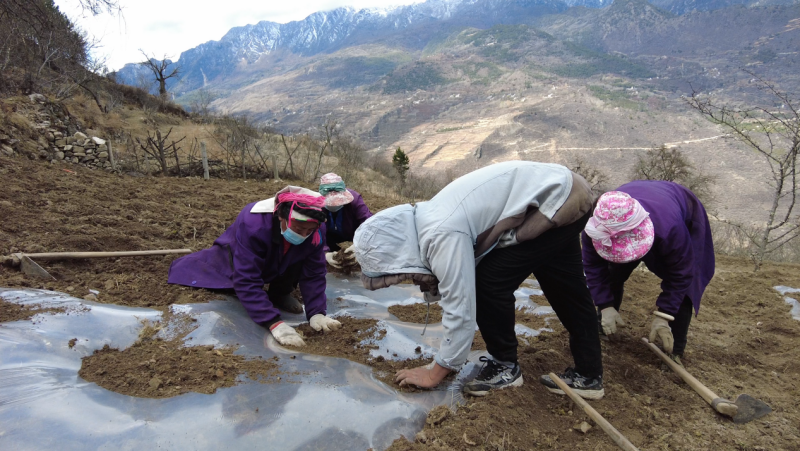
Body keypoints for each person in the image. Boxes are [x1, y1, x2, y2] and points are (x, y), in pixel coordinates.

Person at [353, 161, 605, 399]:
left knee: (487, 282)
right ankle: (589, 375)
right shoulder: (426, 217)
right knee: (567, 288)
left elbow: (461, 302)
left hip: (554, 201)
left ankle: (505, 368)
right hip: (568, 189)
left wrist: (436, 371)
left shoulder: (440, 234)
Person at [167, 186, 342, 346]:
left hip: (282, 260)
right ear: (281, 216)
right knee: (232, 282)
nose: (303, 235)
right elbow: (246, 278)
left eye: (308, 231)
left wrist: (317, 312)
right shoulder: (254, 223)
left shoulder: (316, 229)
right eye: (297, 229)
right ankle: (260, 300)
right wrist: (273, 322)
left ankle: (279, 293)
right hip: (240, 257)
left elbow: (314, 272)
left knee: (297, 256)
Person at [582, 182, 714, 364]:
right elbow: (594, 268)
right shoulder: (595, 228)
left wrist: (664, 315)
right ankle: (604, 326)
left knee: (686, 289)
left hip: (677, 212)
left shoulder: (670, 227)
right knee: (612, 272)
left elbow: (681, 272)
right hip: (641, 207)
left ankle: (674, 350)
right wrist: (605, 305)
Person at [318, 173, 373, 270]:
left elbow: (370, 224)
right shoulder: (316, 205)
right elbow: (315, 230)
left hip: (353, 232)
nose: (334, 205)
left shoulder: (355, 200)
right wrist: (324, 252)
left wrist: (360, 246)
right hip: (329, 236)